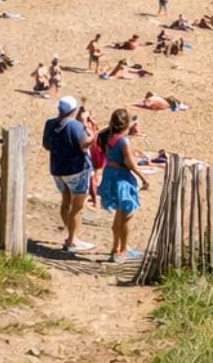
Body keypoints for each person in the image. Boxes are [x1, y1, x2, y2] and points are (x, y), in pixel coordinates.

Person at [96, 108, 149, 262]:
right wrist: (143, 177)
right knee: (126, 215)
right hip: (122, 179)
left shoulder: (108, 136)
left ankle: (114, 248)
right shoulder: (123, 141)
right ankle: (123, 251)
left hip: (110, 175)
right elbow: (129, 162)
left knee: (119, 215)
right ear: (127, 124)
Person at [41, 96, 93, 254]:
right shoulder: (75, 125)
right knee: (77, 206)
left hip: (58, 169)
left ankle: (71, 235)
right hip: (76, 170)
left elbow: (46, 145)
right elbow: (84, 145)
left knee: (65, 202)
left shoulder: (50, 123)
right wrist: (91, 133)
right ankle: (72, 240)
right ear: (73, 110)